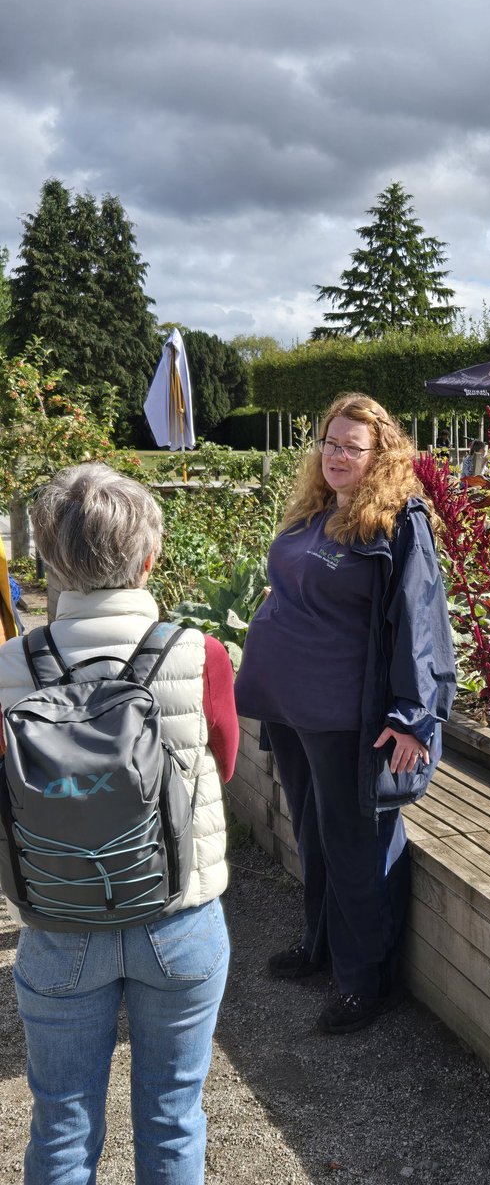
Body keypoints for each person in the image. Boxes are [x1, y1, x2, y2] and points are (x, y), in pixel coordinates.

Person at [0, 463, 238, 1185]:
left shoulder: (10, 665)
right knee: (173, 1115)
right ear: (149, 557)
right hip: (178, 915)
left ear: (49, 559)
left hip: (60, 921)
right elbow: (224, 764)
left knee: (62, 1123)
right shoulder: (199, 653)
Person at [235, 393, 456, 1035]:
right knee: (311, 830)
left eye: (351, 447)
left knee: (357, 843)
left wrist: (414, 715)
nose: (336, 455)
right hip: (290, 705)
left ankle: (365, 982)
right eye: (330, 443)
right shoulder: (315, 510)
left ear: (379, 455)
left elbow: (421, 619)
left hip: (345, 715)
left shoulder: (398, 522)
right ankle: (321, 945)